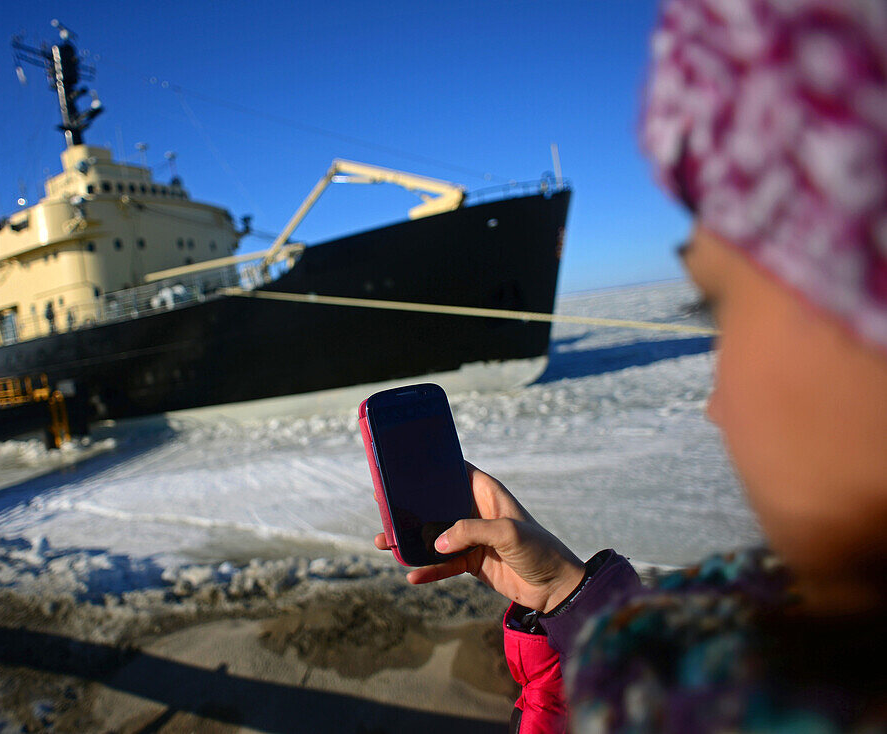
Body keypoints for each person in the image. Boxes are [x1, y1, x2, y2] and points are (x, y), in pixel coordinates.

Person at [375, 1, 887, 731]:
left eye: (719, 308)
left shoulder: (765, 682)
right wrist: (565, 598)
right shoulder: (778, 654)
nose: (717, 404)